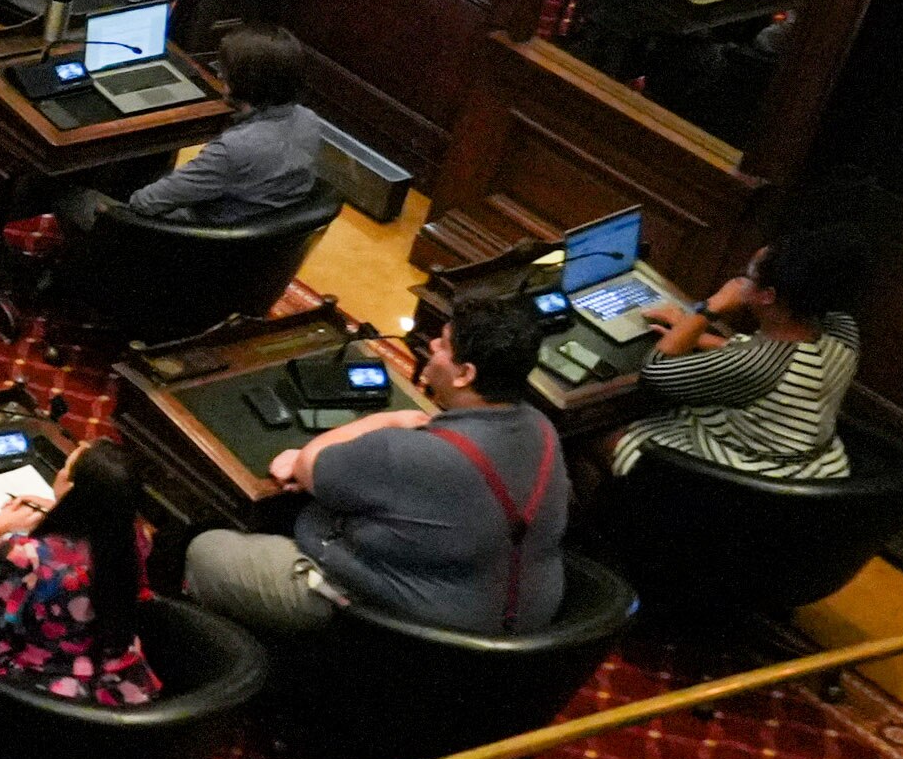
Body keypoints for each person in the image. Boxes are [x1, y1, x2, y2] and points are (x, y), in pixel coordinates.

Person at [180, 297, 566, 642]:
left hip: (404, 632)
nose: (432, 346)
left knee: (206, 551)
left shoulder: (410, 452)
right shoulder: (543, 429)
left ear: (465, 374)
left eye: (444, 345)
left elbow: (307, 463)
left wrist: (388, 420)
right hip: (524, 622)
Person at [615, 221, 864, 482]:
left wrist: (711, 308)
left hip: (750, 477)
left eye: (747, 276)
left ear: (767, 296)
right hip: (816, 469)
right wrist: (688, 329)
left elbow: (654, 373)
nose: (738, 282)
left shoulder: (758, 365)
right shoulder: (843, 328)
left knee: (613, 436)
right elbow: (760, 355)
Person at [0, 442, 164, 707]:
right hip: (120, 687)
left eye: (65, 467)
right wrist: (59, 508)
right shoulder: (138, 538)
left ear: (73, 489)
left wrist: (5, 522)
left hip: (46, 692)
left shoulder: (30, 557)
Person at [106, 25, 332, 225]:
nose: (220, 75)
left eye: (225, 72)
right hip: (259, 233)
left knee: (84, 199)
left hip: (195, 238)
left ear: (241, 82)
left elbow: (143, 204)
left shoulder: (233, 149)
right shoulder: (309, 121)